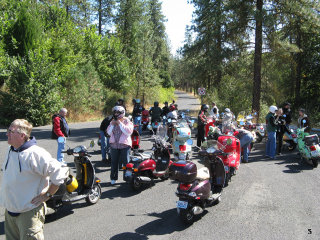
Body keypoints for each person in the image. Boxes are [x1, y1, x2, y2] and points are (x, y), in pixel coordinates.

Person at [0, 119, 68, 240]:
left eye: (10, 131)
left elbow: (59, 173)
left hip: (29, 213)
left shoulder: (35, 154)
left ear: (22, 135)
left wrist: (47, 194)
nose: (7, 134)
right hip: (10, 212)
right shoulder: (12, 150)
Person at [107, 106, 133, 185]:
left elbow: (128, 132)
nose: (116, 114)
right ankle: (113, 178)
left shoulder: (127, 120)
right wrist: (111, 124)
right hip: (114, 145)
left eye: (118, 113)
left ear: (122, 113)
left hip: (124, 145)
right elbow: (108, 133)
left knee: (126, 162)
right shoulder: (112, 121)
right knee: (114, 162)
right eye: (115, 112)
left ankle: (127, 178)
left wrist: (120, 123)